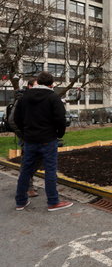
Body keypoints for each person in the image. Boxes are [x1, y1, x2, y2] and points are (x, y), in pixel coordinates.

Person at [14, 71, 73, 211]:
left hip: (29, 140)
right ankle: (53, 202)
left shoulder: (24, 97)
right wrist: (59, 134)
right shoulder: (53, 97)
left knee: (26, 171)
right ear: (51, 84)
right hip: (48, 139)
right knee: (50, 171)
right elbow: (60, 119)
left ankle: (20, 201)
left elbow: (16, 119)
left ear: (38, 82)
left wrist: (25, 133)